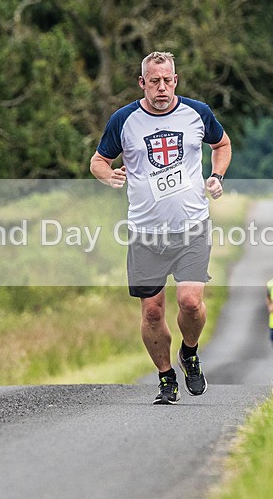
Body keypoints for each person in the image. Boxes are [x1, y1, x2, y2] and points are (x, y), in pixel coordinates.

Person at [90, 51, 232, 404]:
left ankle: (190, 351)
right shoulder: (124, 120)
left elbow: (222, 144)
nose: (162, 87)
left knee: (190, 301)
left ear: (176, 80)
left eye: (167, 80)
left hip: (191, 226)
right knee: (152, 310)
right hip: (145, 232)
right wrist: (108, 175)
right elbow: (98, 160)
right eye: (154, 81)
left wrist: (216, 176)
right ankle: (166, 377)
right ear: (142, 83)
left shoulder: (197, 113)